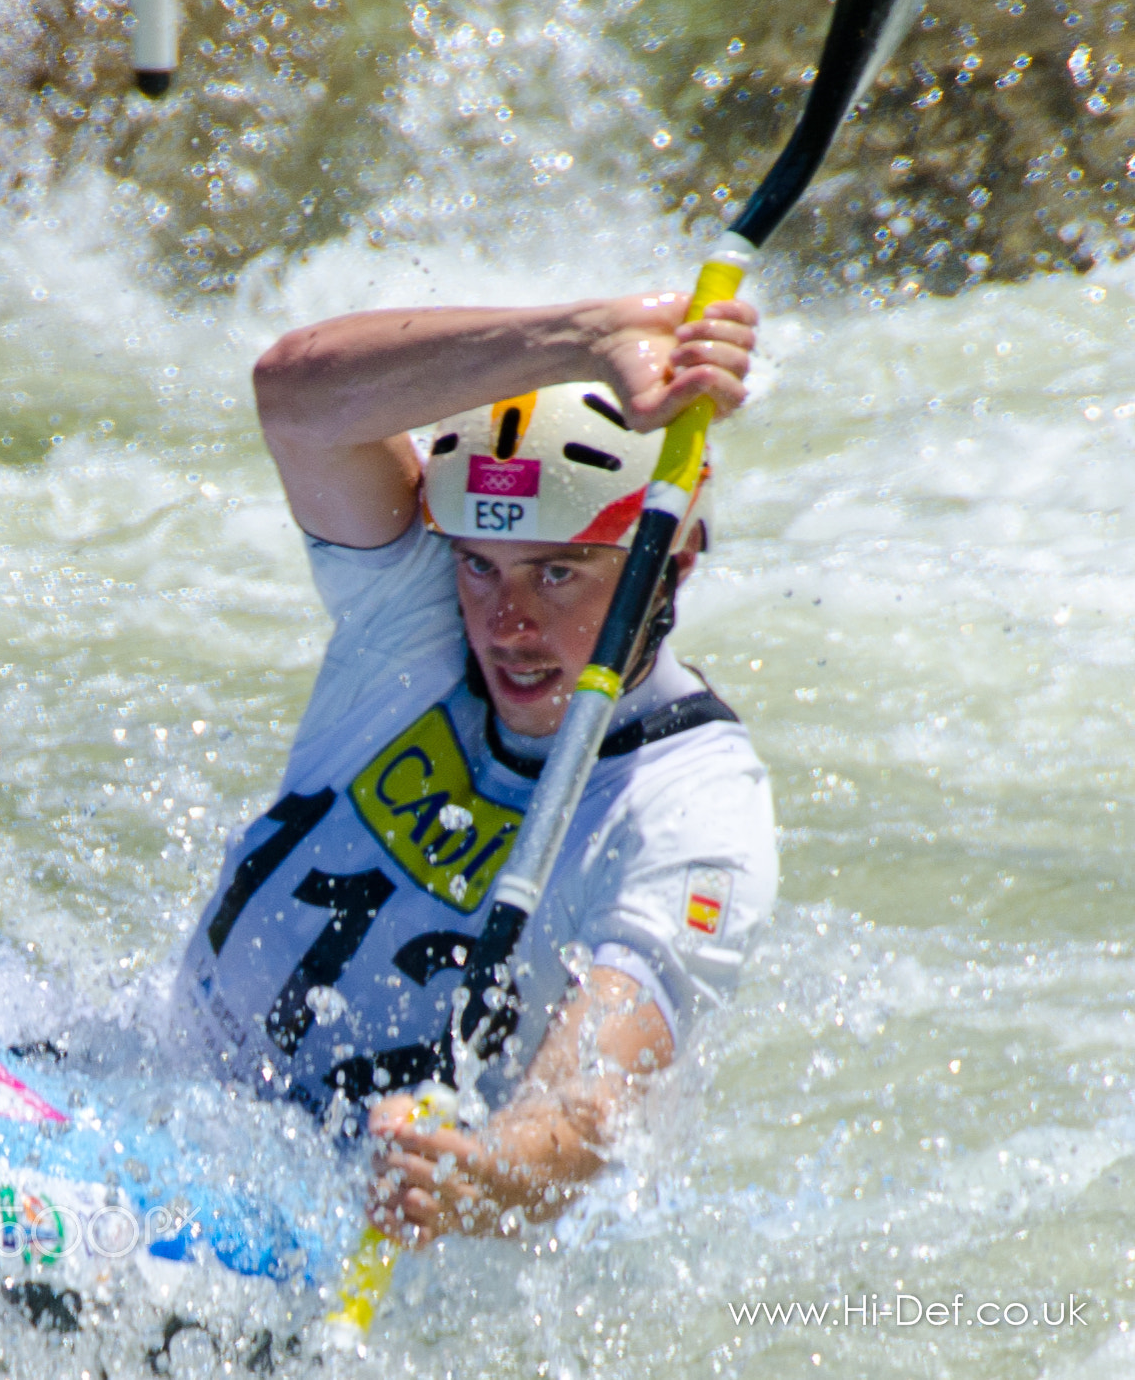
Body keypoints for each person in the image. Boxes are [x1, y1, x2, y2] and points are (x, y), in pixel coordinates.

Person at [174, 286, 777, 1244]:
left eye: (558, 572)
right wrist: (582, 341)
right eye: (481, 565)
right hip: (160, 1098)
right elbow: (294, 398)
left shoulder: (693, 810)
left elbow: (586, 1107)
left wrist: (486, 1175)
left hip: (334, 1219)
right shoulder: (416, 614)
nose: (506, 624)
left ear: (677, 563)